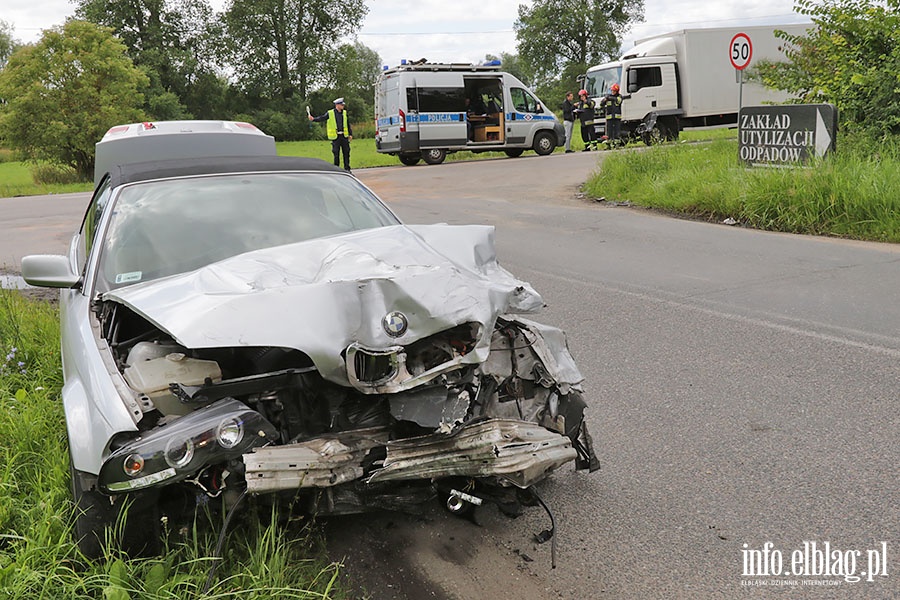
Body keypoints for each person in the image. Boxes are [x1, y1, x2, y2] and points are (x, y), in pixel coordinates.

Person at [309, 97, 353, 171]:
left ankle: (347, 169)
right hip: (336, 137)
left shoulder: (344, 113)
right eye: (341, 105)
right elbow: (322, 118)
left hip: (344, 136)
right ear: (337, 105)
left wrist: (350, 134)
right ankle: (336, 169)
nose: (343, 106)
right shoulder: (330, 113)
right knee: (336, 153)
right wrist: (313, 119)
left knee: (346, 153)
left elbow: (347, 124)